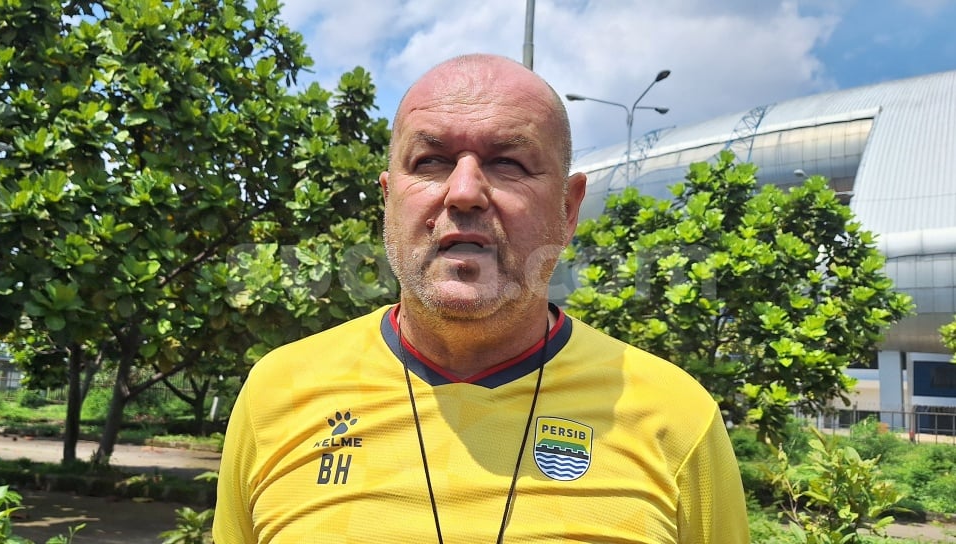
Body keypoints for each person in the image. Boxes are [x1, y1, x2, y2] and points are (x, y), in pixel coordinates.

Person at [214, 53, 750, 543]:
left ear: (568, 209)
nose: (465, 192)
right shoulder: (277, 394)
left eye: (508, 163)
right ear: (388, 200)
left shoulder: (675, 417)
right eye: (430, 161)